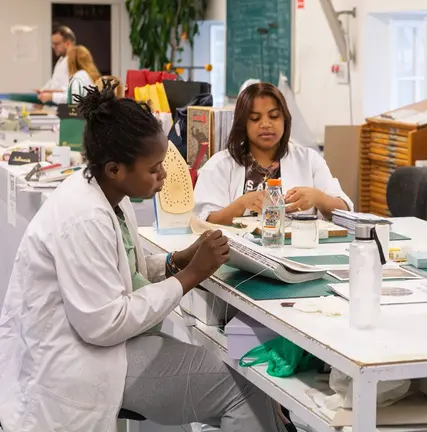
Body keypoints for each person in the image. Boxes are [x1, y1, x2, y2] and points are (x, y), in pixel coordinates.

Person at [0, 81, 288, 432]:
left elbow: (117, 271)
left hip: (98, 347)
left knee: (244, 390)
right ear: (115, 169)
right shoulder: (84, 216)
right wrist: (189, 276)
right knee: (243, 389)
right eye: (154, 169)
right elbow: (105, 323)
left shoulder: (107, 194)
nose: (164, 176)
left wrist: (174, 262)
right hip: (81, 363)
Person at [195, 82, 352, 225]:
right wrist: (241, 205)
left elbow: (345, 210)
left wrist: (318, 198)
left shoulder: (309, 160)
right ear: (243, 124)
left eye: (274, 116)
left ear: (285, 119)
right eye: (255, 118)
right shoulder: (220, 165)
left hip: (298, 250)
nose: (266, 124)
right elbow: (202, 220)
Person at [36, 25, 75, 98]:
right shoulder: (61, 60)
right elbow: (54, 82)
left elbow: (71, 92)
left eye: (56, 44)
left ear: (68, 44)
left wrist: (50, 96)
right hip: (59, 105)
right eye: (52, 44)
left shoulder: (75, 61)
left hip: (68, 107)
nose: (53, 47)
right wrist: (43, 91)